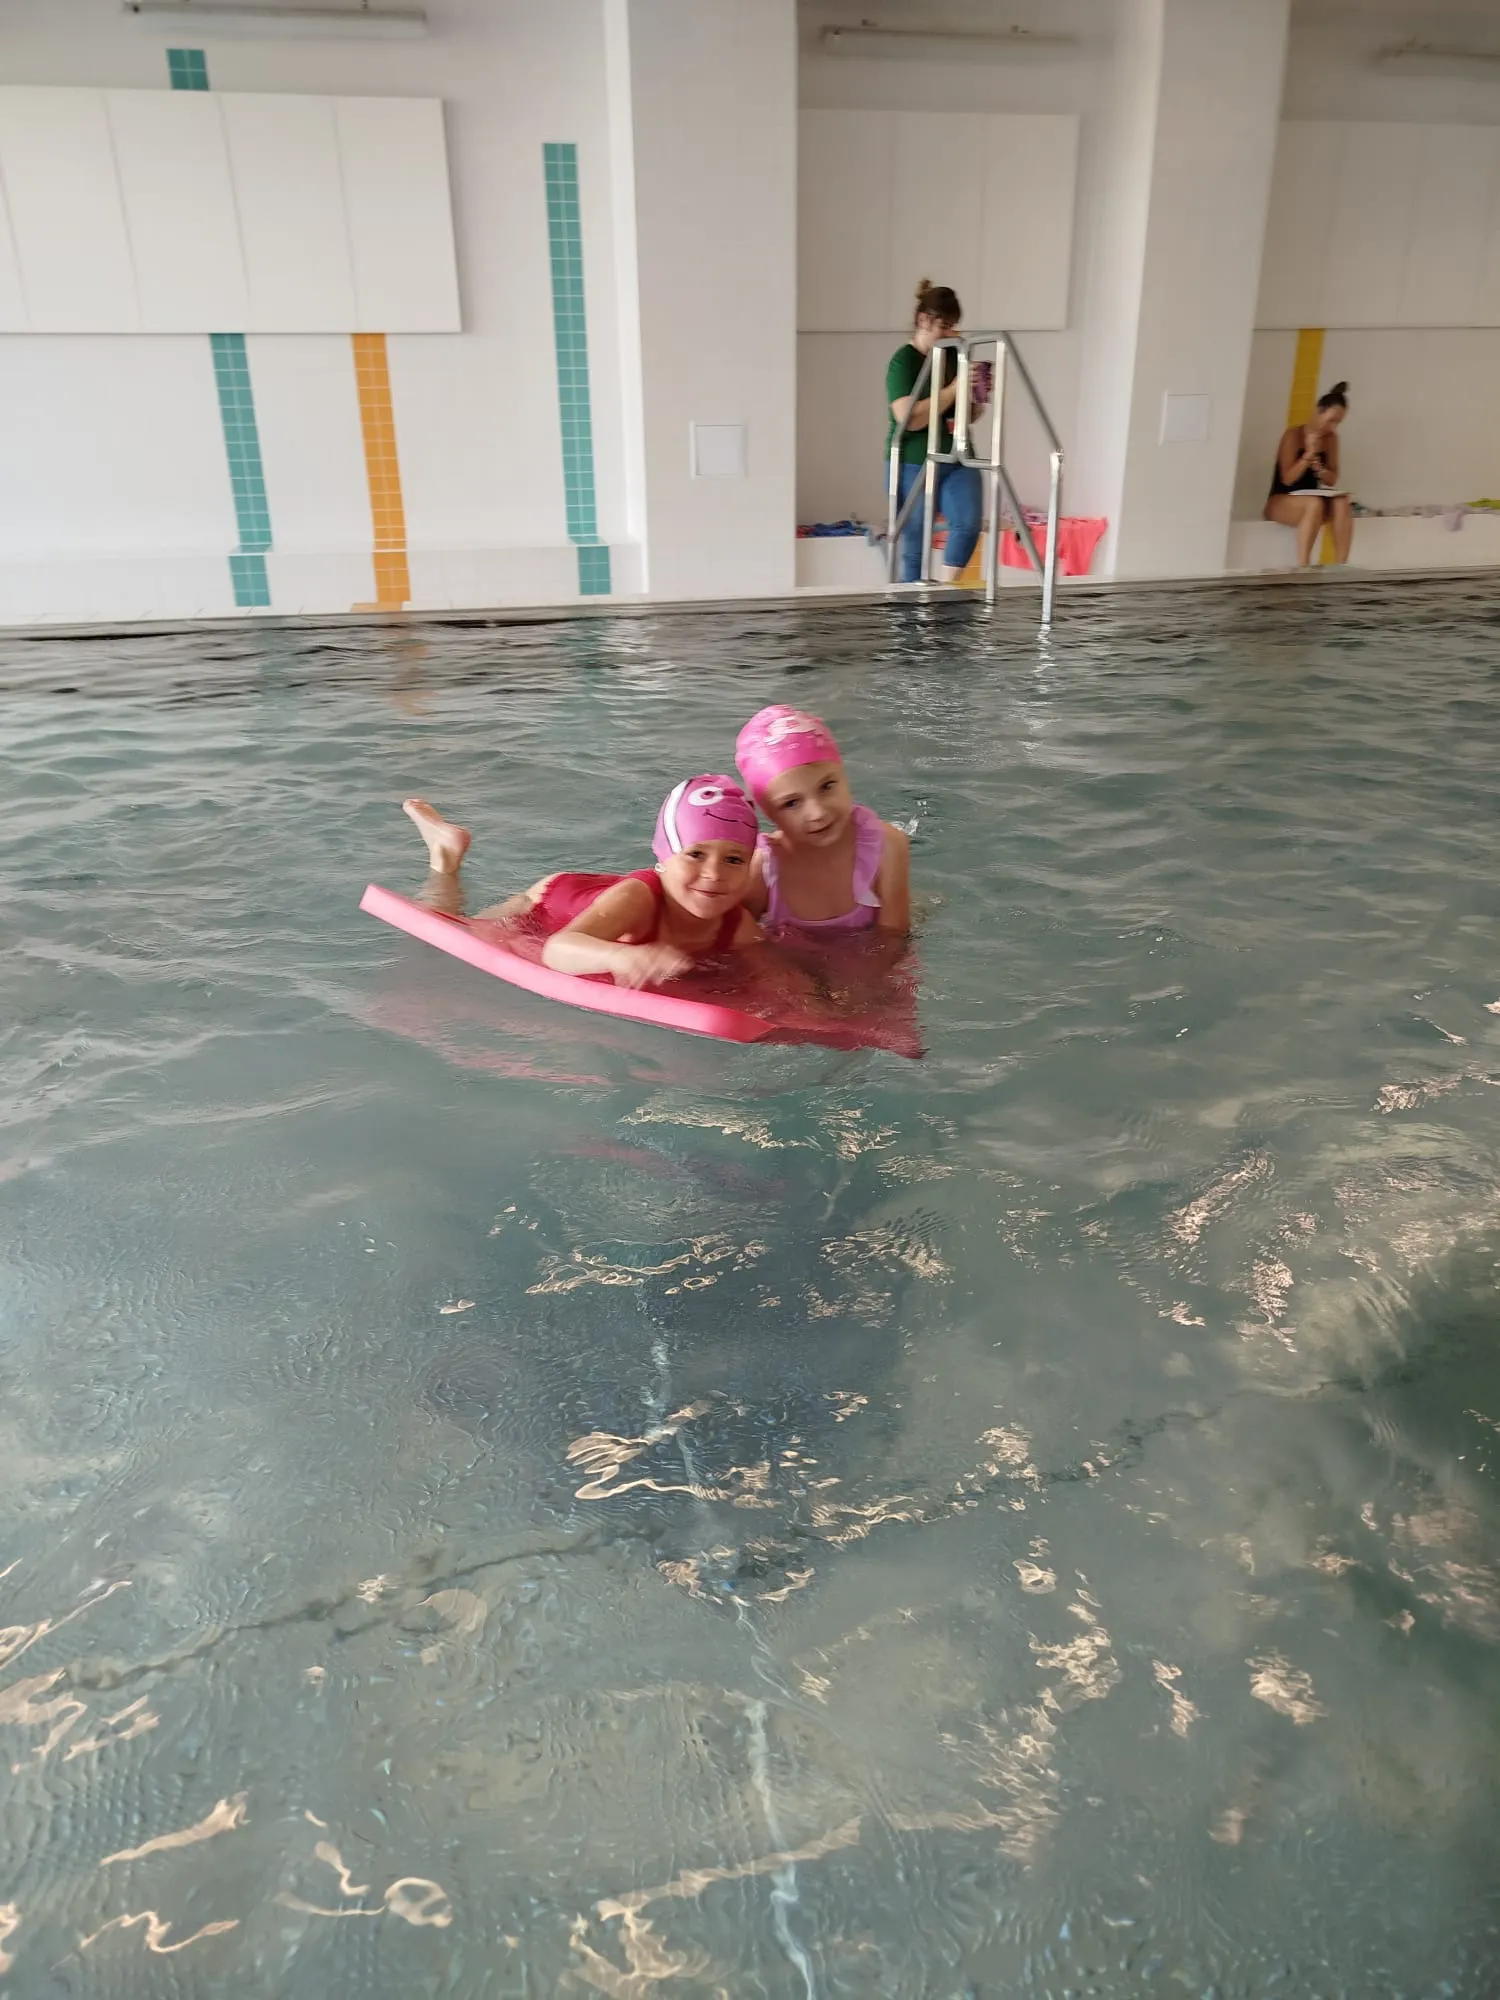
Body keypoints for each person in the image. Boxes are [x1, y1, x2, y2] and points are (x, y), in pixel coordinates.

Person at [401, 778, 761, 990]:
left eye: (734, 860)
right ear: (664, 859)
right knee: (446, 935)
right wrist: (623, 957)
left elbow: (770, 975)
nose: (714, 874)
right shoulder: (638, 900)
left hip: (601, 897)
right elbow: (557, 950)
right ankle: (444, 857)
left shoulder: (738, 925)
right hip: (550, 902)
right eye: (695, 854)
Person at [735, 705, 911, 936]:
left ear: (844, 775)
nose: (818, 812)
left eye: (827, 786)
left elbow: (895, 940)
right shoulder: (763, 870)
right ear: (769, 813)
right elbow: (739, 941)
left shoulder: (887, 847)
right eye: (792, 803)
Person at [886, 279, 990, 585]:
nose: (949, 334)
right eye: (944, 327)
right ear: (923, 321)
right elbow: (909, 418)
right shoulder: (904, 361)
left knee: (968, 523)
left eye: (952, 327)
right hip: (913, 460)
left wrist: (977, 394)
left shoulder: (953, 358)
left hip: (956, 456)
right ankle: (912, 607)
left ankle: (945, 592)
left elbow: (969, 416)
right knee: (915, 548)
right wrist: (953, 389)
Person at [1264, 381, 1354, 567]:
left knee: (1342, 501)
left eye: (1338, 423)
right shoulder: (1293, 435)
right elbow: (1287, 479)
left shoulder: (1331, 439)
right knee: (1314, 504)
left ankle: (1341, 566)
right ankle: (1303, 567)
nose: (1333, 428)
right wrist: (1308, 456)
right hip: (1281, 500)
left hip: (1313, 500)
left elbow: (1332, 480)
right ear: (1318, 411)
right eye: (1331, 421)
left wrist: (1319, 468)